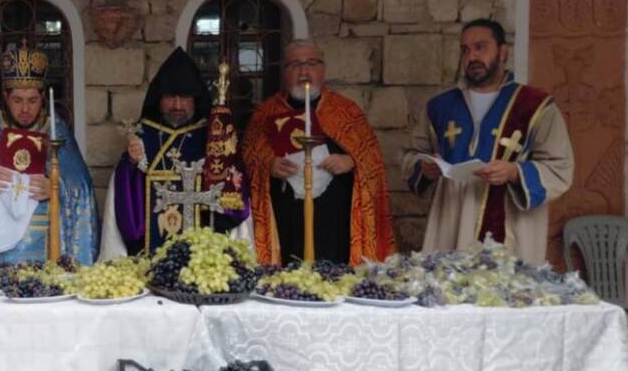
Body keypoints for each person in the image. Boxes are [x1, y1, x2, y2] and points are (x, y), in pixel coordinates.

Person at [402, 19, 573, 264]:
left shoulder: (536, 106)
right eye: (465, 50)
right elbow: (412, 156)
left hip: (511, 226)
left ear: (503, 52)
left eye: (481, 47)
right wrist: (424, 168)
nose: (472, 56)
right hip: (451, 224)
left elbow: (560, 167)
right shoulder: (440, 107)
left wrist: (515, 171)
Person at [0, 41, 98, 266]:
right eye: (17, 101)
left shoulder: (56, 132)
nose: (25, 109)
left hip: (47, 245)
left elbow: (81, 187)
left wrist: (55, 186)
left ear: (43, 97)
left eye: (32, 101)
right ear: (5, 97)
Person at [243, 40, 395, 265]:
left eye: (311, 64)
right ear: (284, 72)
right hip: (286, 219)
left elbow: (371, 161)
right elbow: (247, 158)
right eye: (295, 65)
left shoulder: (346, 112)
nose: (304, 72)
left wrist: (351, 161)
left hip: (335, 220)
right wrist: (268, 165)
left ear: (323, 69)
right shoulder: (265, 114)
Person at [101, 48, 250, 258]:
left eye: (184, 98)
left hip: (206, 255)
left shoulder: (213, 138)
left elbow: (234, 194)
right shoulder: (145, 135)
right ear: (159, 100)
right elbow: (124, 195)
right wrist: (131, 164)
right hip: (152, 252)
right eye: (171, 97)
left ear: (194, 100)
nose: (177, 105)